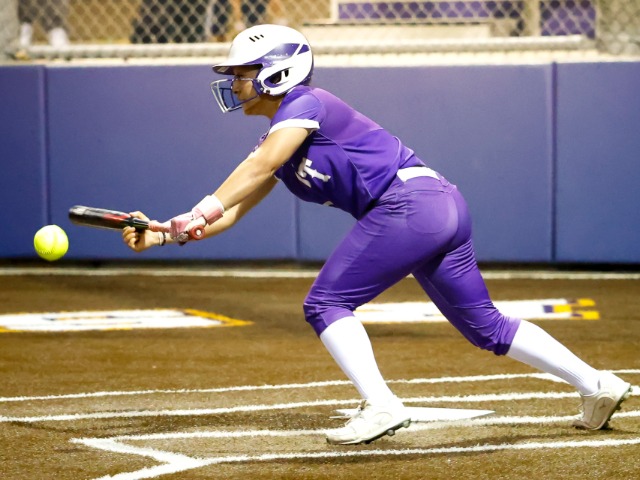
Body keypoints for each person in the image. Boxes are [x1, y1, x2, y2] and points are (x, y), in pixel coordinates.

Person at [122, 24, 633, 445]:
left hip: (411, 206)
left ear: (278, 72)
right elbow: (232, 210)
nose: (235, 83)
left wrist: (199, 209)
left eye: (243, 73)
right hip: (436, 206)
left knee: (325, 303)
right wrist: (165, 234)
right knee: (486, 326)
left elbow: (254, 171)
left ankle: (381, 404)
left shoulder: (306, 102)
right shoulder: (278, 138)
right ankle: (596, 384)